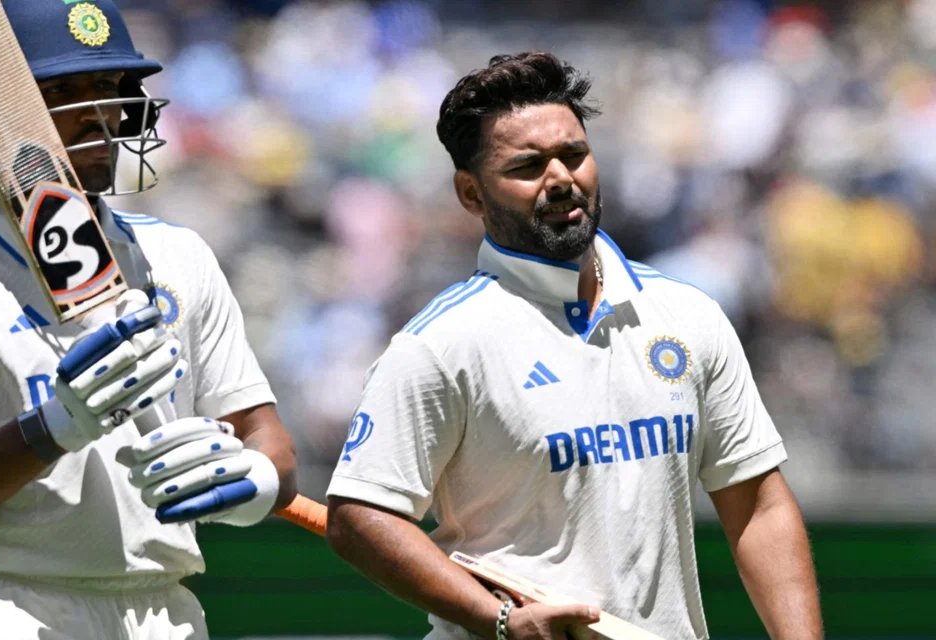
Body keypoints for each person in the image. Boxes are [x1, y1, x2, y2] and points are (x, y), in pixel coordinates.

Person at [324, 52, 822, 640]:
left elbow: (759, 506)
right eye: (528, 166)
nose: (561, 177)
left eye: (575, 155)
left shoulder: (688, 314)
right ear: (471, 194)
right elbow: (359, 517)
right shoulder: (438, 345)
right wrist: (502, 619)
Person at [0, 1, 297, 638]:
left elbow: (267, 441)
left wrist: (251, 478)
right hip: (16, 604)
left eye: (110, 88)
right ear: (2, 111)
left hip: (168, 608)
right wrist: (50, 429)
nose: (101, 115)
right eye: (65, 91)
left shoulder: (179, 254)